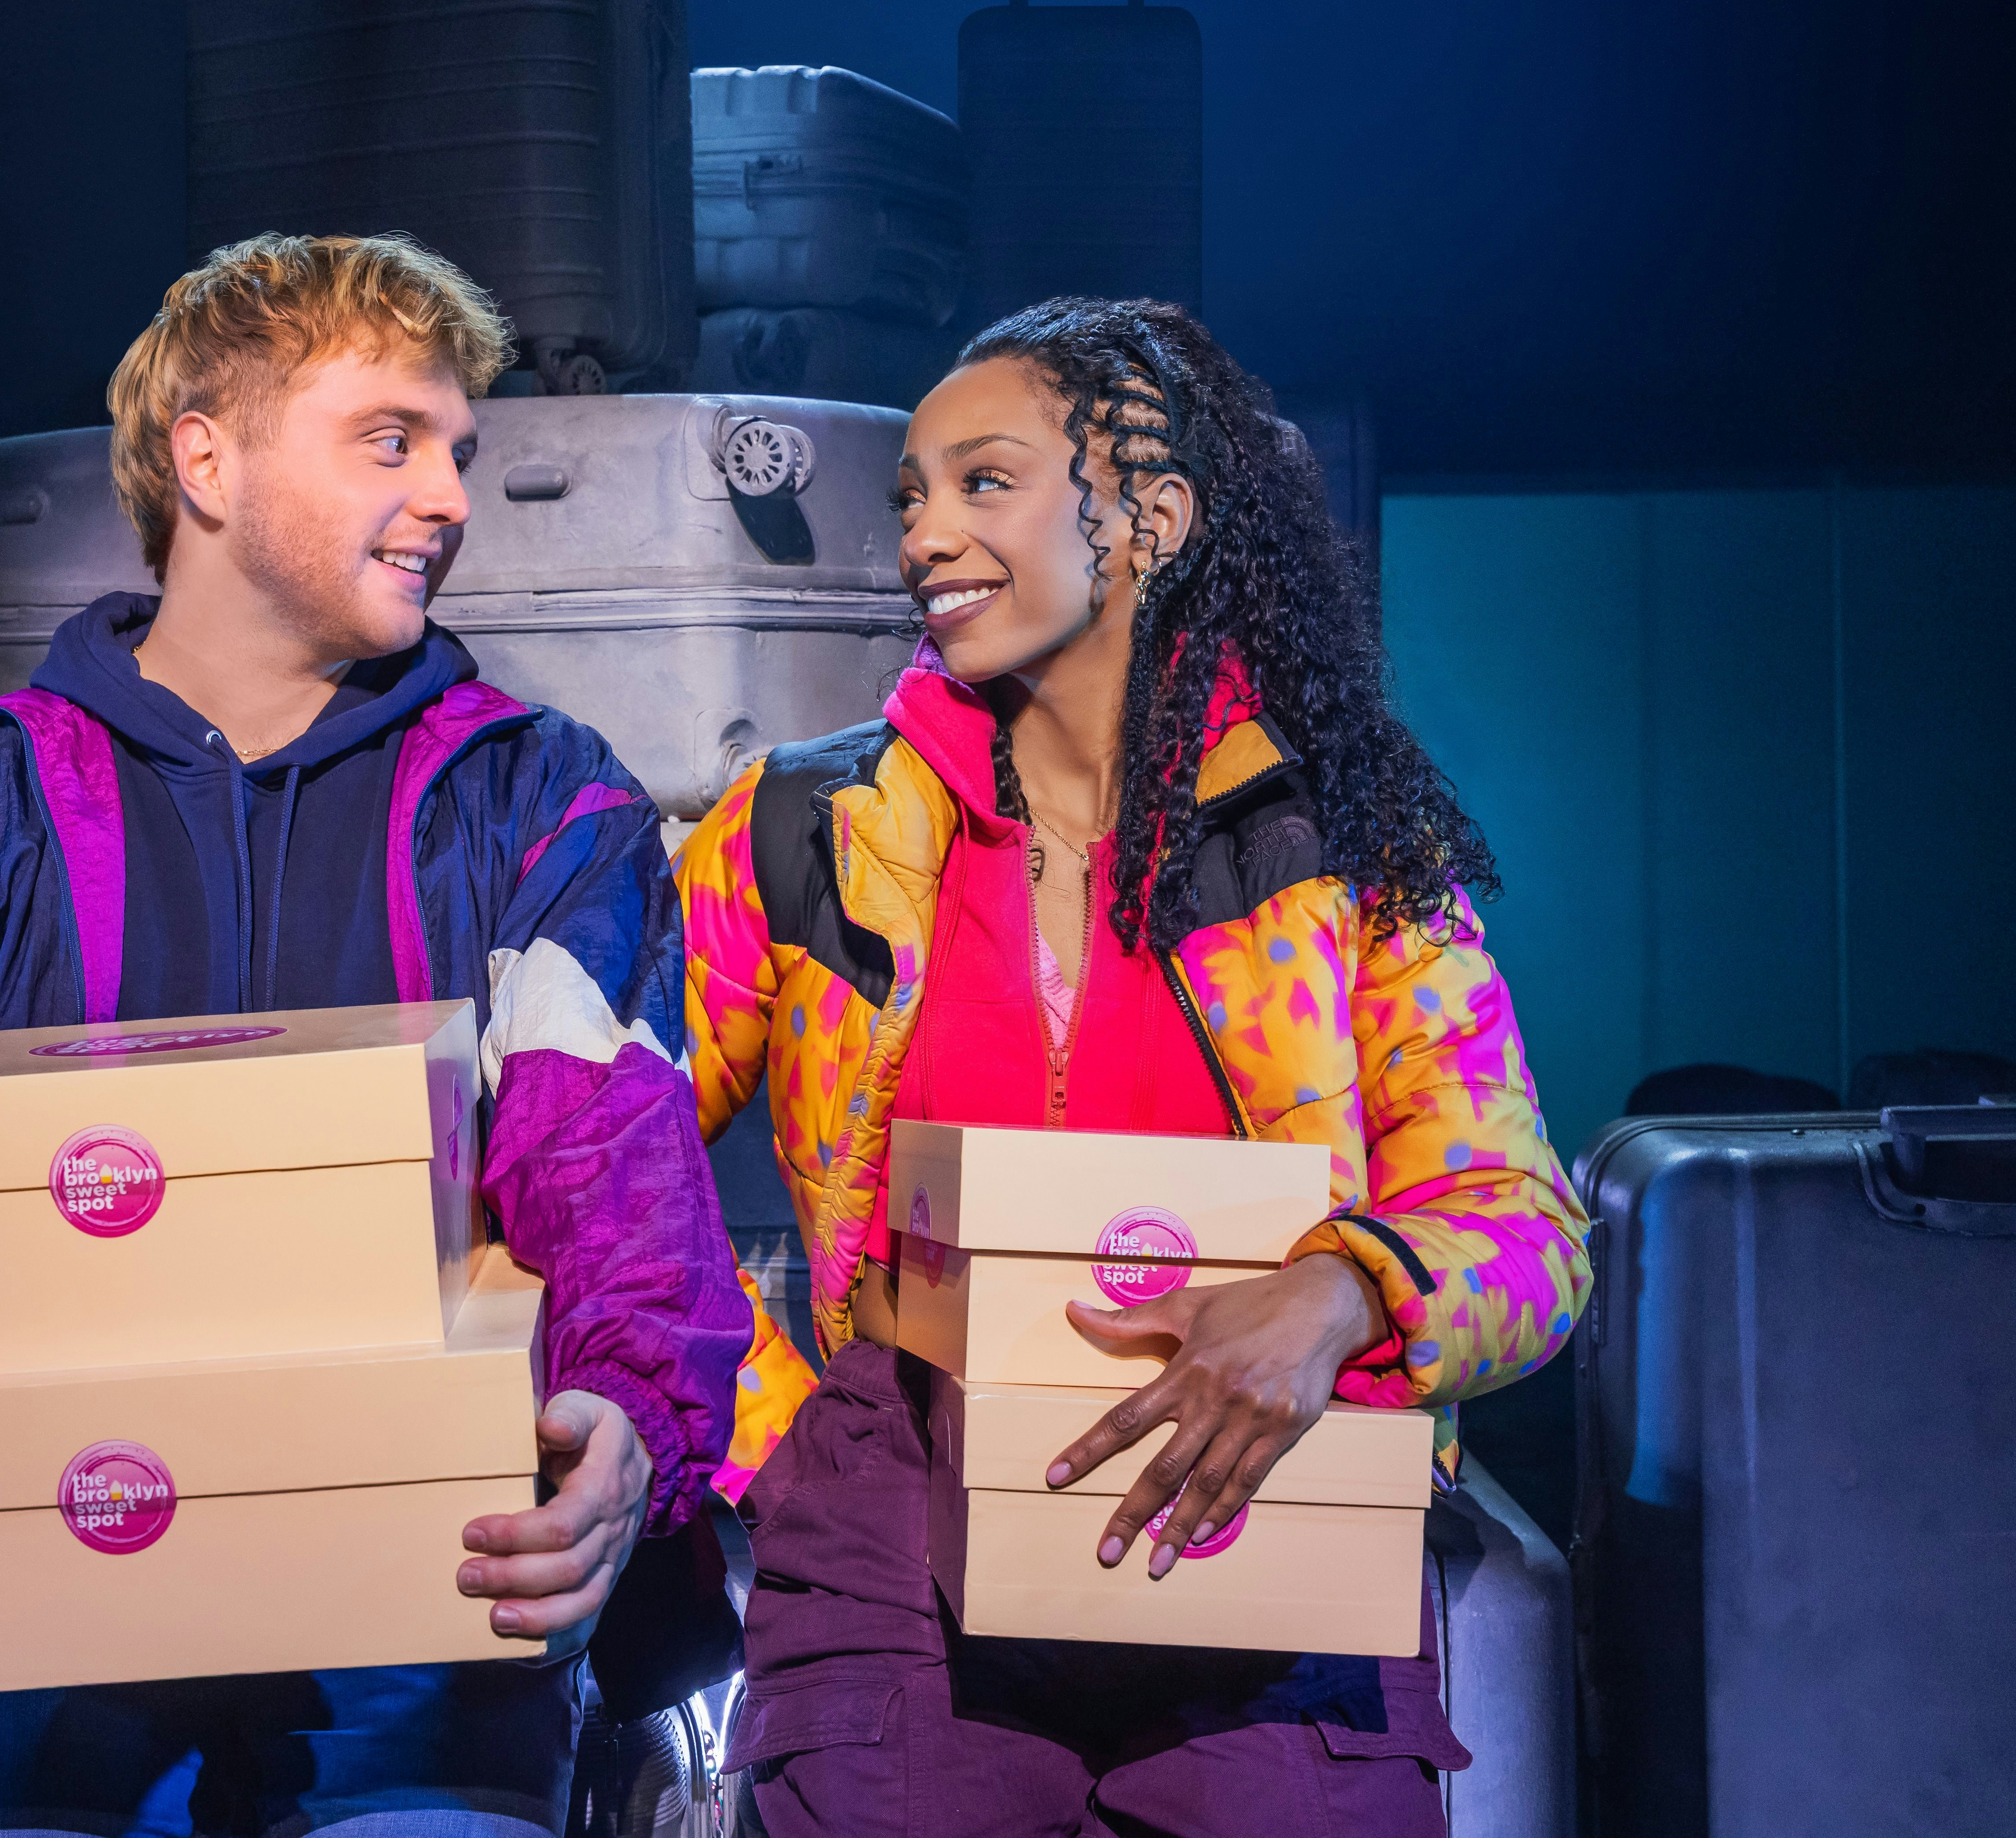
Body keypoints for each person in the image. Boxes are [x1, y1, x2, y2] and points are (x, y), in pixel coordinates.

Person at [0, 233, 750, 1838]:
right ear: (205, 457)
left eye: (459, 452)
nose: (449, 498)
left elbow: (615, 1174)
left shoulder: (538, 801)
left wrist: (630, 1422)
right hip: (33, 1673)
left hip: (417, 1669)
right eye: (390, 439)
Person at [677, 298, 1590, 1835]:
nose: (924, 535)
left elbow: (1527, 1223)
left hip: (1263, 1533)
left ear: (1150, 518)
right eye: (910, 492)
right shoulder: (799, 826)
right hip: (896, 1547)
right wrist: (767, 1424)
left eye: (985, 481)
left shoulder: (1343, 846)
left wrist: (1346, 1290)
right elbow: (606, 1163)